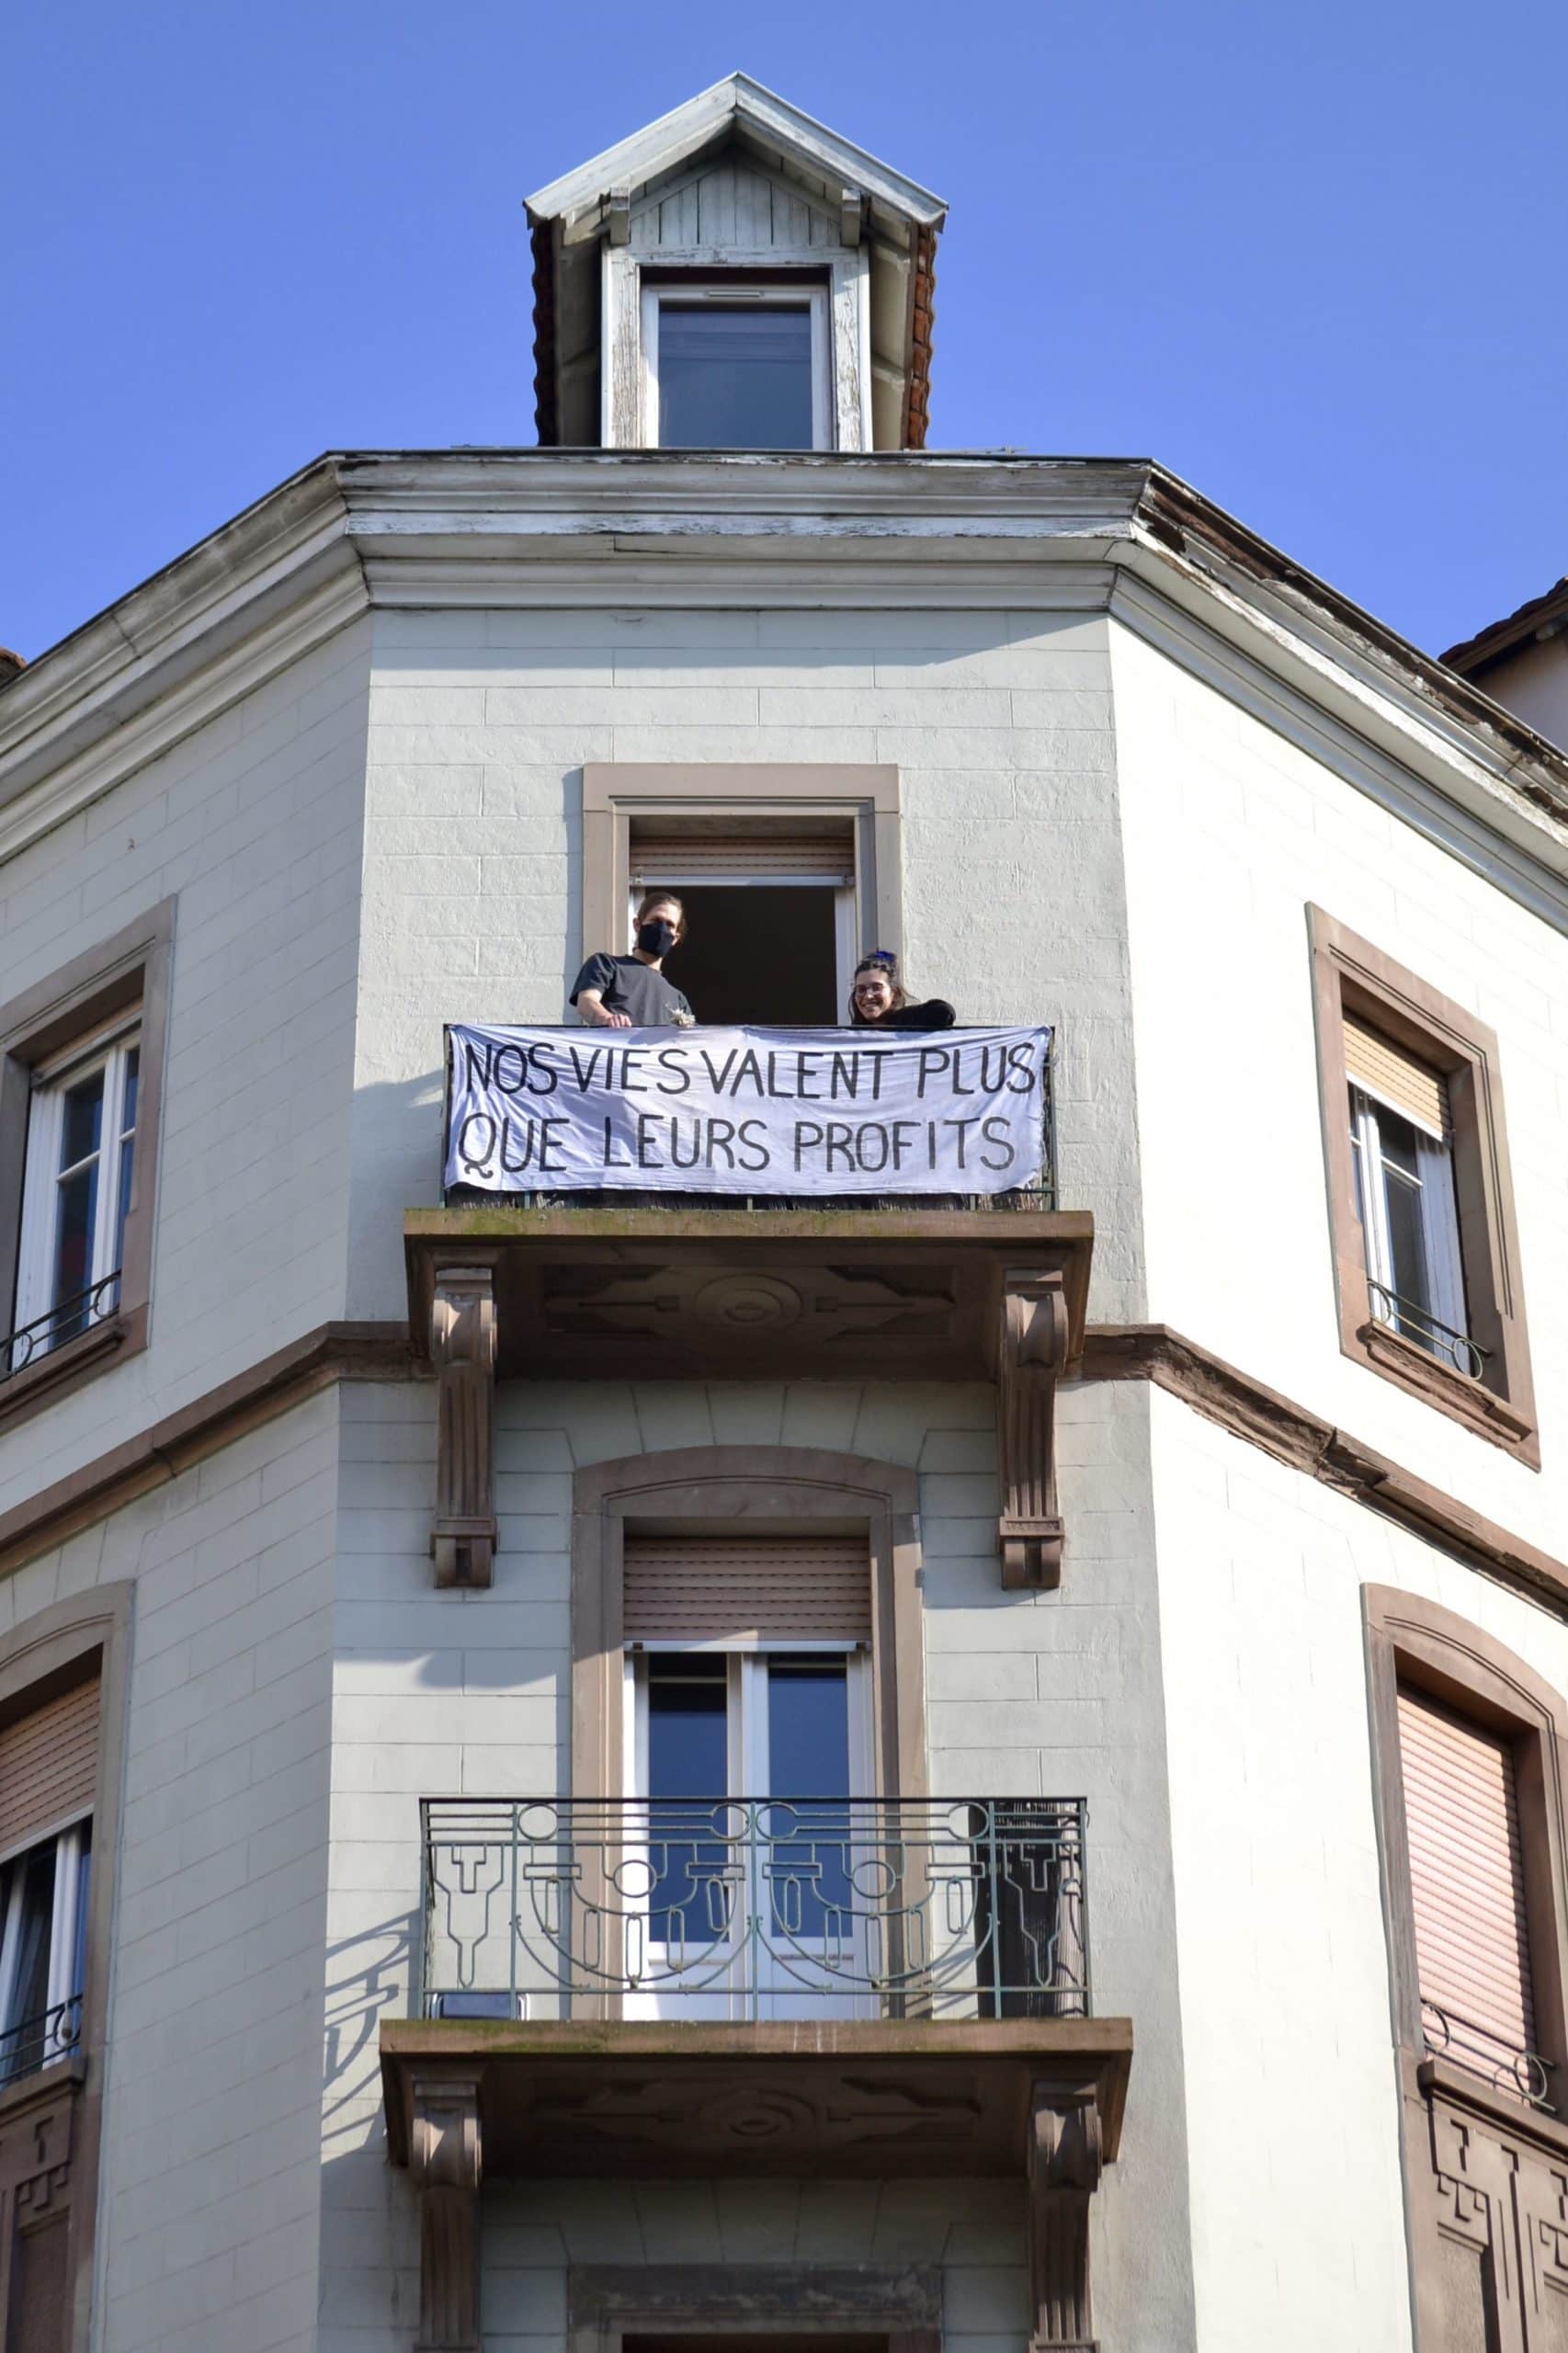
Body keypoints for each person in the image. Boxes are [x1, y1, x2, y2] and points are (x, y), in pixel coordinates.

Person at [570, 893, 695, 1029]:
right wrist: (607, 1018)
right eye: (656, 920)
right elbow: (586, 1001)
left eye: (670, 924)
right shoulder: (606, 965)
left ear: (675, 938)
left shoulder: (678, 999)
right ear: (637, 924)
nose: (662, 929)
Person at [847, 950, 955, 1030]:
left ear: (895, 994)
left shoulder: (908, 1022)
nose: (868, 996)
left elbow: (944, 1012)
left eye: (876, 988)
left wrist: (900, 1021)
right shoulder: (850, 1038)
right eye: (861, 989)